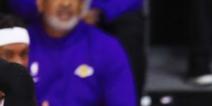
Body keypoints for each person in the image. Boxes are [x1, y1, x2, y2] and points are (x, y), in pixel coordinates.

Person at [8, 0, 147, 98]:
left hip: (102, 13)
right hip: (37, 13)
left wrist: (101, 10)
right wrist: (43, 5)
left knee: (130, 28)